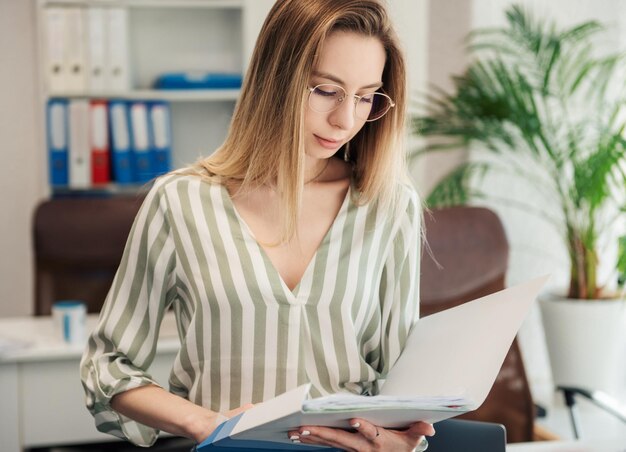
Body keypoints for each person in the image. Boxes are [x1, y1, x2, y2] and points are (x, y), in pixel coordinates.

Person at [80, 0, 434, 450]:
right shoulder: (180, 201)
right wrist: (202, 422)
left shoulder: (389, 205)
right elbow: (108, 365)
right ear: (276, 80)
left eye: (365, 97)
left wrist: (399, 442)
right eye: (326, 90)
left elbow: (402, 380)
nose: (346, 120)